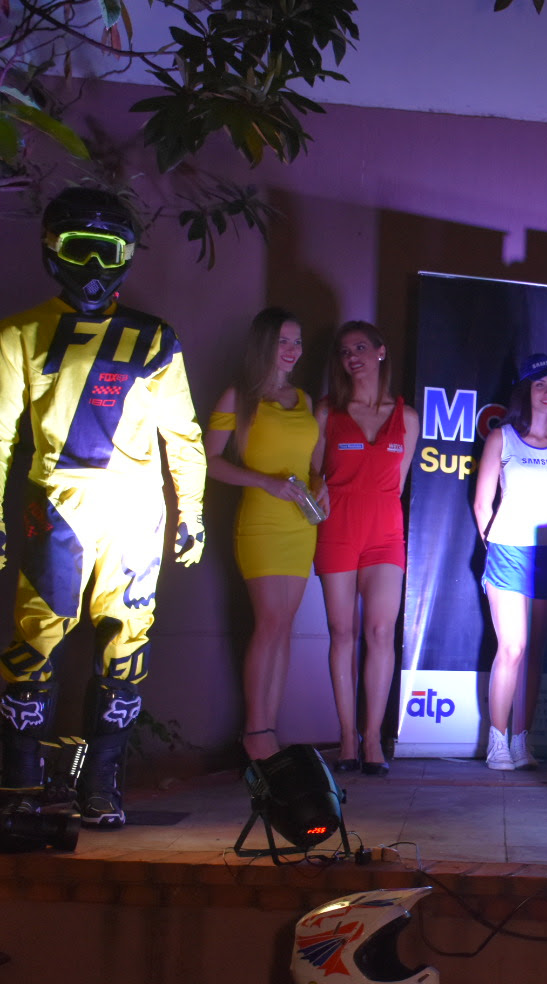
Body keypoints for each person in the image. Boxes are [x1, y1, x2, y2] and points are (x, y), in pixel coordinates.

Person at [0, 187, 207, 827]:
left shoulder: (156, 338)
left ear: (126, 256)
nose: (91, 266)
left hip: (134, 513)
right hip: (59, 507)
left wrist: (192, 511)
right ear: (51, 250)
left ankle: (100, 788)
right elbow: (0, 432)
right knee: (37, 641)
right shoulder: (20, 334)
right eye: (78, 248)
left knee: (125, 646)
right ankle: (20, 785)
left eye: (106, 251)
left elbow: (184, 434)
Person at [204, 308, 321, 764]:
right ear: (264, 344)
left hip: (301, 524)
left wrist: (322, 486)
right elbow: (210, 461)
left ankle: (269, 727)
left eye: (297, 342)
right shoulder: (239, 396)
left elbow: (314, 464)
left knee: (285, 627)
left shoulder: (304, 399)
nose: (292, 350)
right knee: (269, 622)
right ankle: (254, 733)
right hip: (261, 522)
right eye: (283, 341)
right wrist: (264, 482)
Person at [311, 321, 420, 776]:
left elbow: (399, 482)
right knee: (342, 634)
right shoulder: (327, 411)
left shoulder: (407, 417)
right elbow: (313, 475)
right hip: (337, 528)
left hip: (385, 533)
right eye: (344, 351)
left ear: (380, 352)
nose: (351, 357)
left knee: (379, 633)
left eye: (359, 347)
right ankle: (346, 738)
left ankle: (373, 737)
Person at [472, 354, 547, 770]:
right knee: (512, 646)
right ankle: (496, 741)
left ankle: (521, 741)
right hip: (508, 550)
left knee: (535, 652)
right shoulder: (503, 437)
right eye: (540, 385)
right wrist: (496, 547)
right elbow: (482, 504)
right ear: (525, 391)